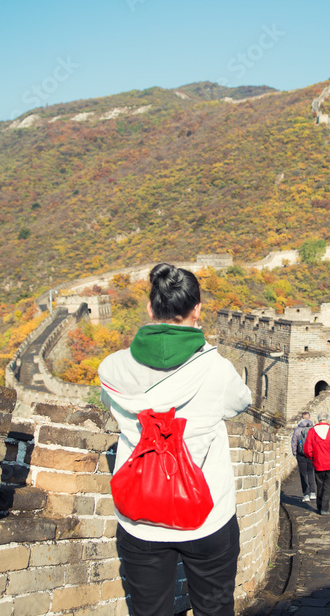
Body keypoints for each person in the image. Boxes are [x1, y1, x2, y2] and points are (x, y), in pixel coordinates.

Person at [98, 263, 252, 616]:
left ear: (151, 309)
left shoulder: (113, 368)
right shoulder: (216, 369)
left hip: (140, 519)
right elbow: (241, 402)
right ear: (197, 309)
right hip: (207, 515)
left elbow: (111, 406)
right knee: (214, 609)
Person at [302, 411, 330, 515]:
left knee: (320, 485)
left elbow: (307, 449)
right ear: (327, 419)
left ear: (318, 419)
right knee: (328, 485)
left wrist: (312, 457)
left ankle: (319, 505)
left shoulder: (312, 432)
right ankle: (324, 507)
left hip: (318, 463)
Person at [290, 412, 315, 502]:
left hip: (301, 455)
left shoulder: (297, 430)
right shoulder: (313, 429)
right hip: (311, 454)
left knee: (303, 474)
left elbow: (294, 443)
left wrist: (295, 453)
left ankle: (306, 494)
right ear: (310, 418)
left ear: (301, 418)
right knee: (310, 473)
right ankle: (312, 492)